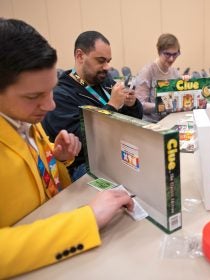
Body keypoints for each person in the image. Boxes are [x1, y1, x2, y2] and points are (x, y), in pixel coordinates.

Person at [0, 18, 134, 279]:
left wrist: (58, 158)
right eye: (33, 96)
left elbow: (37, 175)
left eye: (50, 91)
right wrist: (87, 220)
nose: (50, 105)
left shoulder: (24, 117)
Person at [42, 31, 143, 181]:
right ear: (80, 56)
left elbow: (136, 119)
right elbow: (80, 144)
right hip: (85, 165)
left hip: (118, 151)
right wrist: (112, 106)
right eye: (101, 60)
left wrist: (131, 104)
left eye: (108, 61)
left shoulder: (105, 81)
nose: (107, 67)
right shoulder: (60, 95)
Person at [135, 33, 183, 123]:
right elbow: (140, 105)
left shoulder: (174, 72)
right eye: (167, 54)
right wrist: (163, 105)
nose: (171, 59)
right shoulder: (148, 71)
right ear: (159, 51)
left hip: (170, 119)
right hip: (152, 123)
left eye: (175, 54)